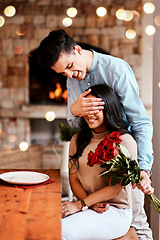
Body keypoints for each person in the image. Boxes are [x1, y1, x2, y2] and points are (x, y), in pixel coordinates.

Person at [37, 29, 153, 239]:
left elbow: (140, 123)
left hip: (123, 157)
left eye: (70, 67)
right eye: (63, 73)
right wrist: (75, 110)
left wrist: (143, 168)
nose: (70, 75)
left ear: (78, 50)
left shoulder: (116, 70)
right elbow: (75, 124)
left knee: (138, 223)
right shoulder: (72, 78)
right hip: (93, 167)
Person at [62, 84, 142, 240]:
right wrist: (87, 203)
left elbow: (115, 187)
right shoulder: (77, 140)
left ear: (108, 108)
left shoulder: (124, 142)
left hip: (115, 211)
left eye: (96, 108)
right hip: (88, 205)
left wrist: (80, 205)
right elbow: (74, 178)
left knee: (61, 232)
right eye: (87, 109)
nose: (90, 114)